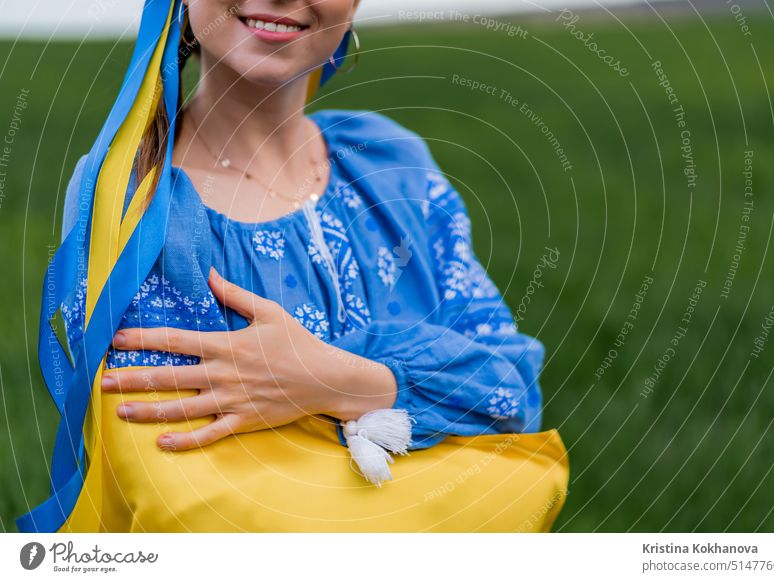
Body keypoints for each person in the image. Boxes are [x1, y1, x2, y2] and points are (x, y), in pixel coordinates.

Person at [20, 0, 559, 532]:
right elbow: (180, 479)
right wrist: (413, 391)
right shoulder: (137, 196)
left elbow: (511, 389)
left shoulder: (392, 165)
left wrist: (337, 380)